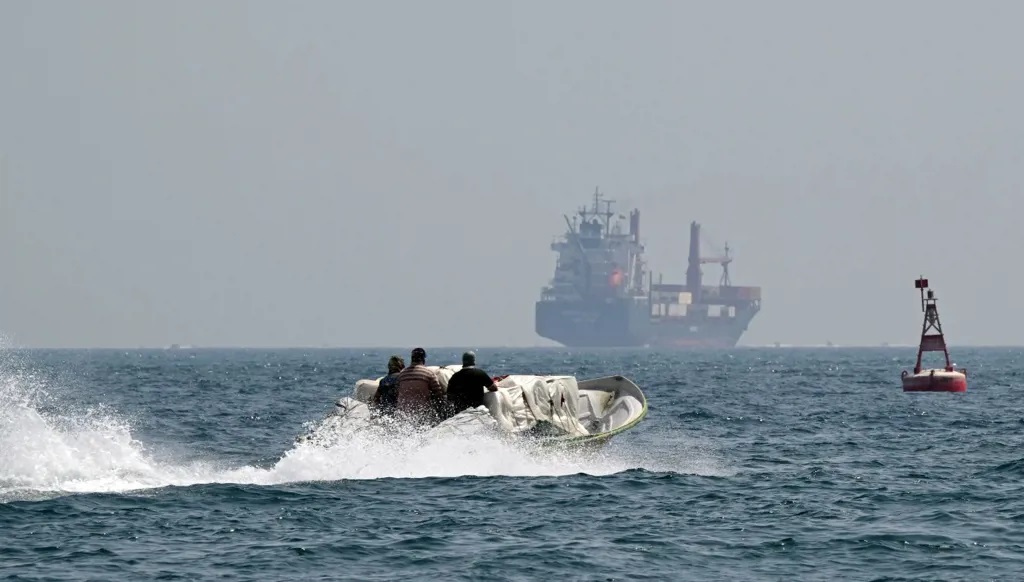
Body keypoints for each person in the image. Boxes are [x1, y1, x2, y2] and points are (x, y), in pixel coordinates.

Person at [396, 347, 444, 423]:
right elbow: (439, 395)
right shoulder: (429, 373)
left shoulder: (402, 374)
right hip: (422, 414)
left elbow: (397, 391)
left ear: (412, 359)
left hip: (402, 414)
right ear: (423, 359)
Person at [445, 351, 498, 417]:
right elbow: (494, 388)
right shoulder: (480, 373)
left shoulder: (455, 377)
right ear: (473, 361)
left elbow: (449, 396)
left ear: (463, 361)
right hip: (476, 411)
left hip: (459, 413)